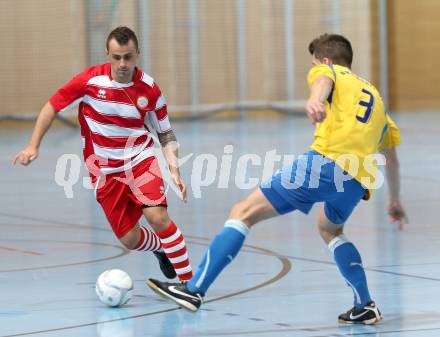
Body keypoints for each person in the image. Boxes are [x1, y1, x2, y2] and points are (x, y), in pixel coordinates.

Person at [146, 34, 408, 324]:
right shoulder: (377, 100)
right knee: (330, 229)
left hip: (326, 162)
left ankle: (193, 290)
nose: (315, 69)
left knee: (243, 212)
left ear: (326, 60)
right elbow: (392, 159)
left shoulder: (328, 70)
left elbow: (322, 83)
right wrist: (395, 200)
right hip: (357, 182)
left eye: (315, 63)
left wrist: (314, 100)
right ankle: (365, 304)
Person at [13, 26, 193, 282]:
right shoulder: (89, 82)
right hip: (105, 172)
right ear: (107, 54)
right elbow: (52, 106)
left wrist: (174, 170)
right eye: (116, 57)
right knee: (130, 239)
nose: (122, 63)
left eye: (128, 57)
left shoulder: (149, 89)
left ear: (137, 55)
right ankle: (162, 247)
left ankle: (190, 284)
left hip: (140, 161)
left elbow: (165, 134)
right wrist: (33, 145)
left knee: (157, 216)